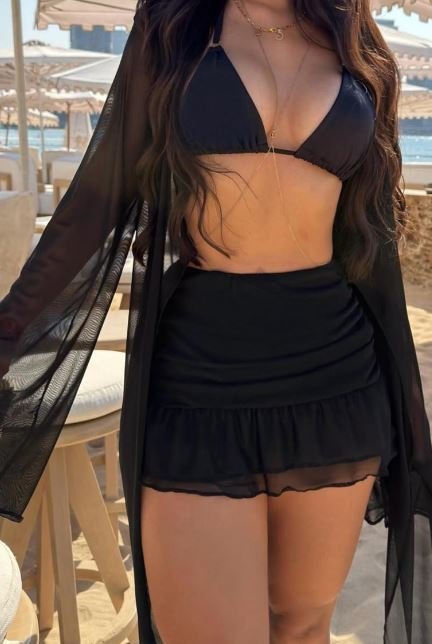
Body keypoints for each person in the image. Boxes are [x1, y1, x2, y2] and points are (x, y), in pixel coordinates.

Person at [0, 0, 431, 642]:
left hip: (336, 371)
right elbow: (95, 200)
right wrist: (9, 331)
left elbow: (373, 229)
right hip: (199, 373)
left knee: (303, 623)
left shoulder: (351, 36)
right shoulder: (173, 26)